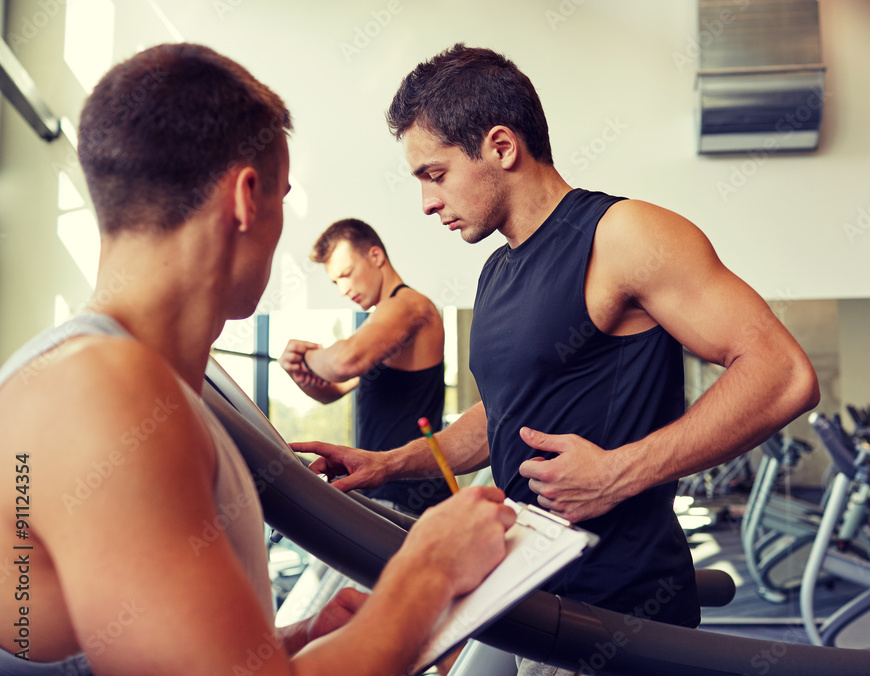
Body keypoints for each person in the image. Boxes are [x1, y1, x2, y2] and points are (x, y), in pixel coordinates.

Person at [294, 43, 820, 676]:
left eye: (434, 175)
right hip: (532, 597)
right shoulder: (497, 271)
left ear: (501, 146)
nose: (427, 203)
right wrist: (388, 463)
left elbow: (781, 372)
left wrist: (620, 472)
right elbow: (504, 416)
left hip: (621, 611)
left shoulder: (622, 235)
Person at [0, 42, 515, 676]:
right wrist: (427, 571)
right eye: (282, 199)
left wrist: (296, 642)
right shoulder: (104, 392)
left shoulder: (116, 378)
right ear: (246, 199)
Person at [279, 218, 451, 515]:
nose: (343, 289)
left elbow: (345, 361)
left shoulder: (409, 306)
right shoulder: (383, 325)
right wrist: (297, 369)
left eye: (346, 274)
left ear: (375, 256)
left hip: (409, 494)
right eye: (335, 282)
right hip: (384, 485)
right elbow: (331, 390)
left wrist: (306, 356)